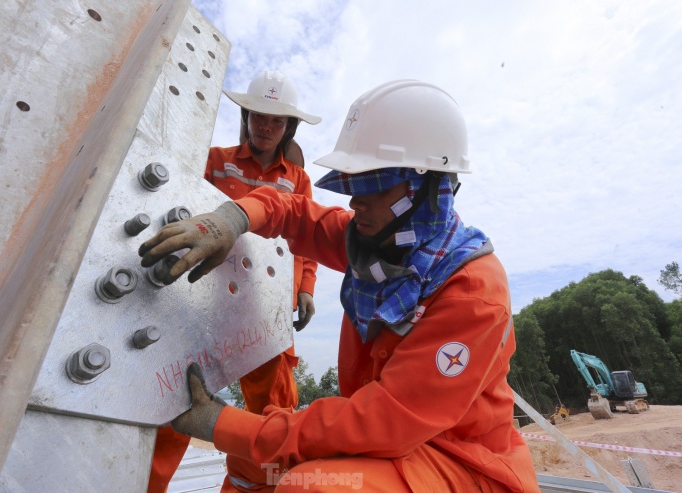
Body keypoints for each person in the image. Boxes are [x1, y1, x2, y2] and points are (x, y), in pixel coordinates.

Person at [139, 80, 540, 492]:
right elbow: (295, 213)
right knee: (256, 457)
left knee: (313, 486)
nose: (354, 203)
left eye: (372, 187)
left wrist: (222, 424)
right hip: (391, 444)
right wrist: (231, 219)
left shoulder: (472, 292)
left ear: (423, 190)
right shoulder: (378, 242)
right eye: (353, 185)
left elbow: (384, 421)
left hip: (463, 465)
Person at [147, 70, 321, 493]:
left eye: (276, 121)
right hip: (201, 300)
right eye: (258, 117)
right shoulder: (215, 160)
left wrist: (305, 289)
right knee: (177, 398)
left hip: (267, 309)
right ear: (245, 116)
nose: (266, 127)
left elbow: (307, 240)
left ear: (288, 128)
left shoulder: (297, 180)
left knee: (273, 410)